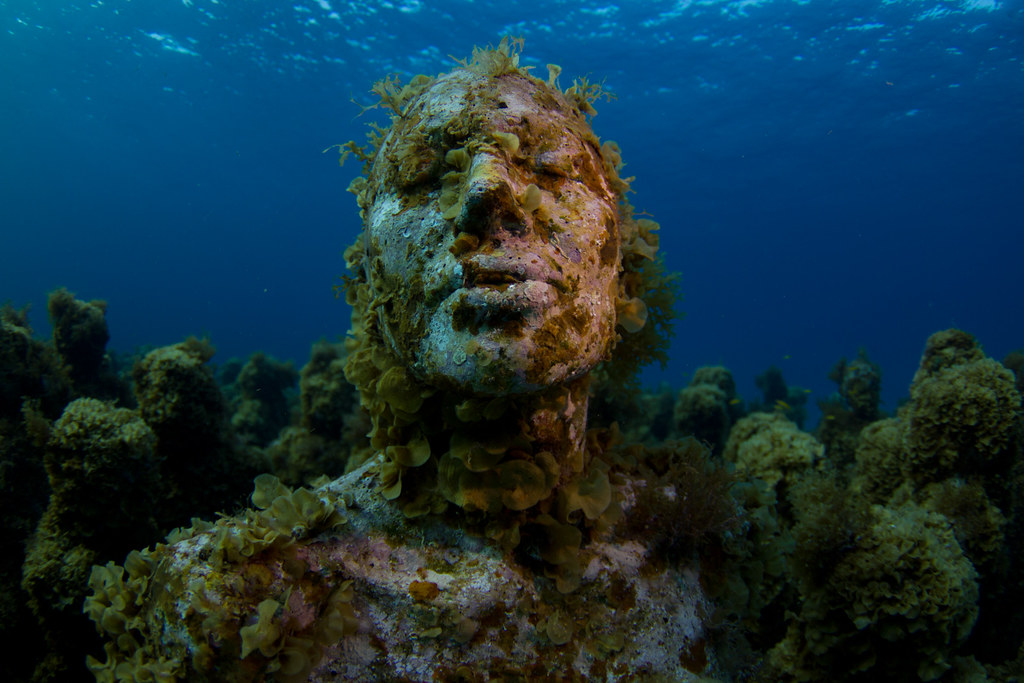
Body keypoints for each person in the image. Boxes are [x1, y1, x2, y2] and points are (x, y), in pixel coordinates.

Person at [85, 39, 705, 682]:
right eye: (424, 177)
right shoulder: (231, 615)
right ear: (368, 272)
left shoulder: (709, 554)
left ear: (622, 261)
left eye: (550, 169)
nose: (487, 193)